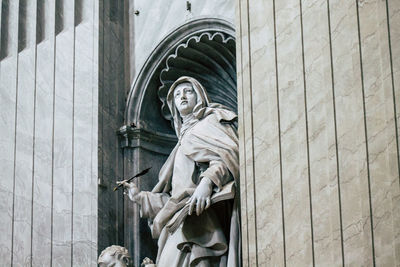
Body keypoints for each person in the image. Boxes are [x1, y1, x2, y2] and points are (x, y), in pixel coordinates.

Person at [118, 76, 240, 267]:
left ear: (198, 96)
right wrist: (140, 197)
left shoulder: (209, 125)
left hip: (199, 219)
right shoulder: (179, 146)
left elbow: (228, 158)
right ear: (173, 105)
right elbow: (173, 197)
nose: (182, 96)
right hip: (178, 220)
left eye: (188, 91)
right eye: (176, 94)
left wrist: (207, 183)